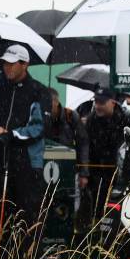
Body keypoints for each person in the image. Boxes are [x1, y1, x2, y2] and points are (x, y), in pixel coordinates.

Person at [0, 44, 51, 259]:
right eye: (4, 62)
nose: (6, 67)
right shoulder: (0, 88)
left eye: (11, 63)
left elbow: (39, 128)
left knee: (29, 215)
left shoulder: (39, 91)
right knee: (2, 213)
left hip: (27, 161)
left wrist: (11, 134)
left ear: (24, 64)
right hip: (2, 157)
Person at [85, 87, 130, 221]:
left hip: (119, 172)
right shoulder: (91, 120)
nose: (97, 106)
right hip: (96, 171)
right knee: (97, 206)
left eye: (101, 103)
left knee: (118, 207)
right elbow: (86, 147)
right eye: (96, 102)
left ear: (112, 102)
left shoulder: (126, 119)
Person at [45, 87, 90, 233]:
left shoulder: (71, 116)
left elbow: (83, 142)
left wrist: (84, 172)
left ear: (56, 101)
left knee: (71, 205)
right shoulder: (40, 117)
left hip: (69, 170)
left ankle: (69, 233)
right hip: (46, 169)